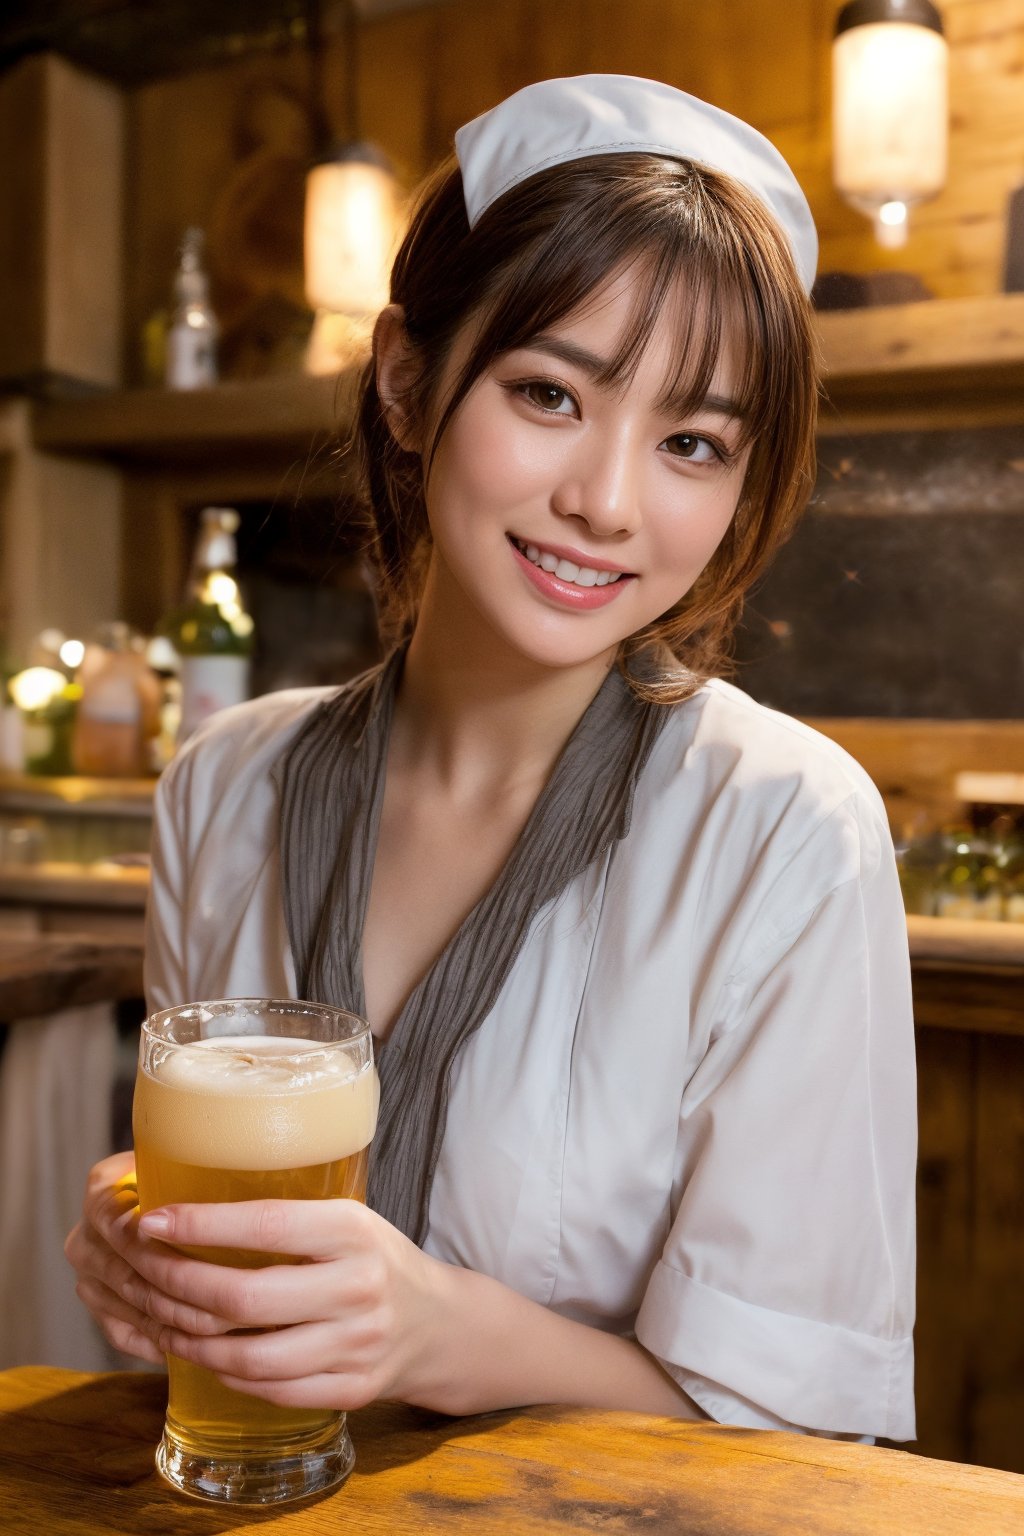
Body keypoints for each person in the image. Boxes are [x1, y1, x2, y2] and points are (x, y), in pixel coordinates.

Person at [65, 75, 916, 1441]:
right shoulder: (221, 789)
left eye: (693, 442)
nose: (609, 500)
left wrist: (436, 1331)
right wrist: (133, 1227)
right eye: (550, 393)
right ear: (407, 382)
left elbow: (799, 1428)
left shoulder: (785, 829)